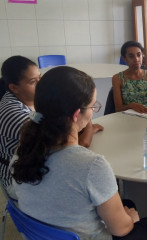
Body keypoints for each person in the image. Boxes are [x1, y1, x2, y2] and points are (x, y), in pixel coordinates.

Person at [11, 66, 147, 240]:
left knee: (126, 203)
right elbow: (122, 229)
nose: (93, 111)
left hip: (43, 232)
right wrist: (131, 219)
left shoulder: (23, 151)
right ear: (76, 114)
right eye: (92, 106)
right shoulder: (91, 166)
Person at [0, 56, 103, 199]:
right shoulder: (16, 115)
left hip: (33, 170)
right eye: (33, 82)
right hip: (20, 182)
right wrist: (88, 122)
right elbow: (74, 148)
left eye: (40, 78)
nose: (40, 84)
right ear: (13, 87)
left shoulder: (32, 101)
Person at [112, 41, 147, 118]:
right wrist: (131, 106)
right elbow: (118, 109)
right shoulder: (117, 78)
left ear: (142, 56)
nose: (136, 59)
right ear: (124, 59)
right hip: (126, 118)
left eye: (139, 55)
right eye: (131, 56)